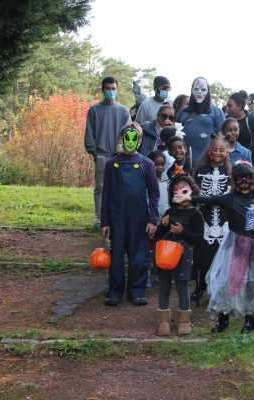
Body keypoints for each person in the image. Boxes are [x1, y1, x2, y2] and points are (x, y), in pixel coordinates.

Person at [172, 163, 254, 334]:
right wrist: (188, 198)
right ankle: (223, 318)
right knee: (229, 281)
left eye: (247, 179)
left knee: (251, 282)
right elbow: (210, 199)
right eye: (239, 179)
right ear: (235, 181)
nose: (244, 182)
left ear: (253, 181)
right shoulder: (230, 198)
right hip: (235, 247)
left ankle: (249, 320)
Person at [100, 123, 160, 306]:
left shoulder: (146, 164)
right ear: (121, 139)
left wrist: (152, 219)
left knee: (139, 255)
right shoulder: (112, 165)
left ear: (140, 141)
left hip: (139, 217)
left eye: (134, 138)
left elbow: (154, 193)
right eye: (126, 138)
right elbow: (106, 194)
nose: (130, 142)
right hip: (117, 216)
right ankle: (115, 291)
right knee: (116, 255)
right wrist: (105, 221)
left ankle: (136, 291)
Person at [155, 170, 204, 335]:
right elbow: (159, 235)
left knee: (182, 287)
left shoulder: (196, 214)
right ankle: (163, 322)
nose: (180, 196)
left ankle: (184, 321)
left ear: (192, 191)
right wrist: (162, 225)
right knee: (164, 287)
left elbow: (198, 238)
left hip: (183, 254)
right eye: (176, 193)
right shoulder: (170, 212)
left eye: (184, 192)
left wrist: (182, 232)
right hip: (165, 253)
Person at [84, 76, 131, 229]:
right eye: (108, 88)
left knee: (120, 187)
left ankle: (117, 217)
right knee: (101, 187)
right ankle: (100, 218)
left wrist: (124, 151)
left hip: (120, 155)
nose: (111, 91)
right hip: (102, 154)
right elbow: (89, 133)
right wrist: (95, 153)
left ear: (117, 90)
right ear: (103, 89)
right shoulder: (94, 109)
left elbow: (128, 133)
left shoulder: (123, 111)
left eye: (113, 88)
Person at [190, 134, 232, 302]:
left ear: (227, 152)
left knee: (223, 254)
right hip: (205, 217)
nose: (217, 153)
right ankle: (201, 286)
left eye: (222, 150)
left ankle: (223, 288)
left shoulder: (230, 172)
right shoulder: (200, 171)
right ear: (209, 151)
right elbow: (195, 193)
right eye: (214, 149)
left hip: (224, 217)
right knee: (204, 254)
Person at [177, 77, 225, 161]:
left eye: (203, 89)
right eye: (196, 89)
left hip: (208, 160)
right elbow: (177, 133)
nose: (199, 92)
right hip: (185, 160)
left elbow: (221, 137)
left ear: (208, 91)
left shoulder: (216, 112)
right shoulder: (183, 111)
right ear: (192, 90)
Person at [225, 92, 254, 174]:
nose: (227, 108)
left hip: (253, 164)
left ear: (240, 106)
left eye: (230, 106)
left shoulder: (253, 119)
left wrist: (250, 150)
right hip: (229, 164)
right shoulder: (225, 120)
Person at [147, 150, 171, 222]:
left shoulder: (168, 181)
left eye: (162, 164)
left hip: (165, 220)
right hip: (149, 221)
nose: (160, 167)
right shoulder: (145, 181)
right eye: (156, 164)